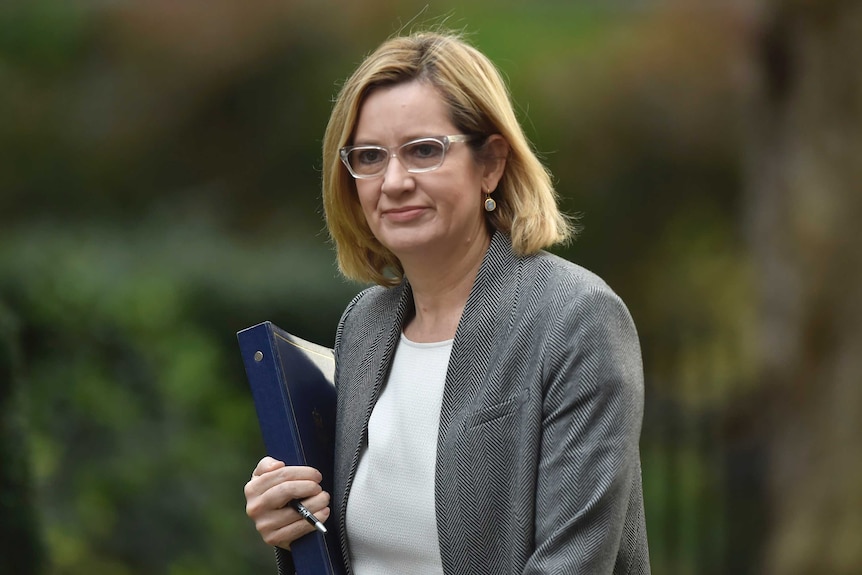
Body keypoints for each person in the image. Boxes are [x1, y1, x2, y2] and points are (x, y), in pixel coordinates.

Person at [244, 30, 650, 575]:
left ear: (491, 163)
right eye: (369, 156)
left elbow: (572, 562)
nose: (393, 181)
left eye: (423, 151)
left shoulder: (575, 318)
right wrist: (292, 523)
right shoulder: (363, 327)